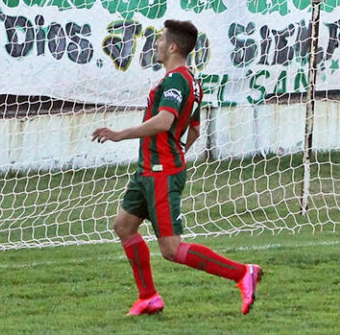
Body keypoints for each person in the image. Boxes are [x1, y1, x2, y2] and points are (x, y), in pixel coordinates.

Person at [91, 20, 262, 316]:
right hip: (150, 169)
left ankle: (242, 273)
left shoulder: (175, 81)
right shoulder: (192, 82)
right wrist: (175, 154)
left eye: (159, 40)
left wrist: (120, 134)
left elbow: (165, 121)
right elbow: (193, 131)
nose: (155, 44)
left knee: (171, 250)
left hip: (160, 172)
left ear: (172, 47)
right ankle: (148, 297)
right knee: (124, 226)